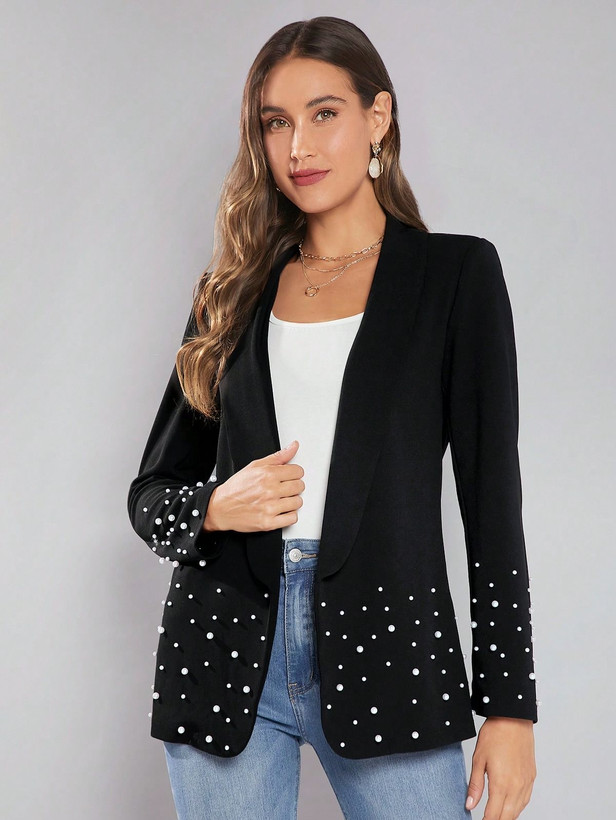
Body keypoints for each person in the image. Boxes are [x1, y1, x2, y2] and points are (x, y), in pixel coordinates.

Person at [127, 15, 538, 820]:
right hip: (224, 645)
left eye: (324, 114)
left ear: (378, 117)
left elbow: (493, 505)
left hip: (391, 646)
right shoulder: (233, 291)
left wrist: (510, 707)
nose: (299, 147)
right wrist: (215, 506)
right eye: (276, 123)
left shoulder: (454, 275)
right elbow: (149, 494)